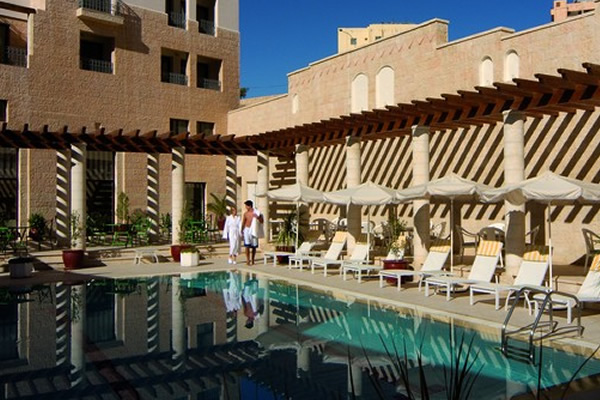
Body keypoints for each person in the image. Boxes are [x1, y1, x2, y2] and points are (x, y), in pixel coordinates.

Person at [241, 200, 264, 266]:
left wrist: (257, 217)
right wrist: (241, 230)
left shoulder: (257, 212)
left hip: (254, 229)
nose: (245, 207)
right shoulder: (245, 214)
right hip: (247, 229)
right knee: (247, 245)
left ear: (249, 206)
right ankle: (248, 260)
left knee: (254, 246)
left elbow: (262, 221)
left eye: (246, 206)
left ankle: (253, 259)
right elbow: (243, 222)